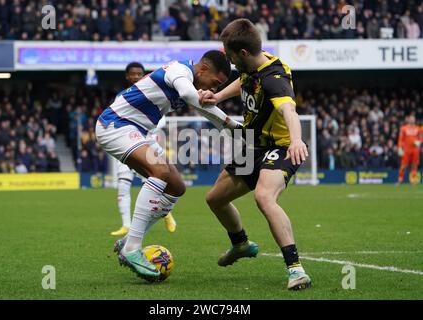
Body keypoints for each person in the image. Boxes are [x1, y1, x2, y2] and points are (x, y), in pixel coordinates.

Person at [95, 50, 241, 281]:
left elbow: (204, 109)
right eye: (215, 83)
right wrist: (231, 123)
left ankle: (132, 236)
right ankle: (132, 248)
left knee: (176, 187)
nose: (214, 89)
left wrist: (234, 131)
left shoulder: (190, 78)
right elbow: (189, 95)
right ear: (202, 68)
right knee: (160, 172)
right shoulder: (180, 71)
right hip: (116, 125)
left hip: (136, 131)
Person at [199, 19, 312, 290]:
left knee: (264, 197)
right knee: (215, 199)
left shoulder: (274, 79)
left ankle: (296, 270)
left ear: (244, 53)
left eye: (230, 55)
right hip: (254, 146)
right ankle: (240, 244)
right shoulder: (253, 66)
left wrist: (296, 140)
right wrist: (218, 97)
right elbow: (244, 80)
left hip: (281, 147)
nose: (228, 60)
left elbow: (288, 111)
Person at [110, 62, 177, 237]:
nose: (136, 77)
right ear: (127, 76)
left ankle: (166, 213)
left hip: (146, 142)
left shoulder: (151, 93)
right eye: (133, 74)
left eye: (139, 74)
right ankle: (126, 225)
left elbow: (160, 119)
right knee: (123, 184)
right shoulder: (121, 96)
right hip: (126, 142)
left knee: (152, 180)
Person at [398, 115, 422, 184]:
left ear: (415, 120)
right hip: (406, 149)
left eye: (413, 119)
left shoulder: (418, 128)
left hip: (415, 150)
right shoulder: (403, 128)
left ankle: (413, 181)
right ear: (408, 120)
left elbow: (421, 138)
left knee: (414, 166)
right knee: (403, 165)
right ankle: (400, 180)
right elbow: (401, 139)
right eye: (411, 119)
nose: (412, 120)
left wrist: (419, 142)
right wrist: (400, 147)